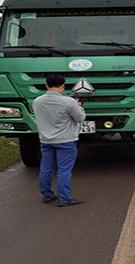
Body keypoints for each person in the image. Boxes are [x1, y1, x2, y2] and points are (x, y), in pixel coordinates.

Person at [33, 74, 86, 206]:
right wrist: (79, 106)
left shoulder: (37, 101)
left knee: (46, 169)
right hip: (66, 140)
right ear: (63, 86)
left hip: (45, 140)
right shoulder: (69, 102)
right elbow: (80, 118)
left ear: (46, 85)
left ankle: (46, 195)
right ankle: (64, 198)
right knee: (64, 170)